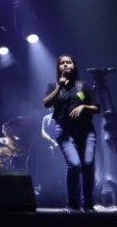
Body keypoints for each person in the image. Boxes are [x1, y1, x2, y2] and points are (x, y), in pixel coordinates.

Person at [43, 53, 101, 211]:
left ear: (74, 66)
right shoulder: (53, 86)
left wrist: (83, 106)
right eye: (62, 63)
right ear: (58, 67)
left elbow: (97, 108)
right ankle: (73, 204)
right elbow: (46, 103)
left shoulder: (84, 86)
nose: (65, 65)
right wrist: (59, 87)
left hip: (86, 131)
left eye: (68, 62)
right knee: (74, 165)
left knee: (88, 165)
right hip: (64, 130)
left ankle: (88, 204)